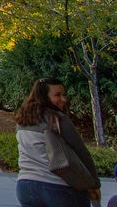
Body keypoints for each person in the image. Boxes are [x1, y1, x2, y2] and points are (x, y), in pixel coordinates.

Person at [15, 77, 101, 207]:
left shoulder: (22, 120)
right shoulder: (57, 119)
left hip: (25, 187)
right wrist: (94, 184)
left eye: (63, 95)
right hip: (57, 187)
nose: (63, 99)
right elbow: (81, 152)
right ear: (44, 97)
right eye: (57, 95)